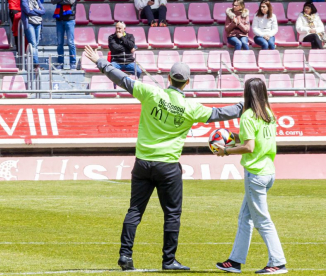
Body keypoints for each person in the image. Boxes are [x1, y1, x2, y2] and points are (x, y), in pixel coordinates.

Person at [84, 45, 244, 271]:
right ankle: (169, 260)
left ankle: (125, 255)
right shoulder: (191, 107)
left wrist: (100, 62)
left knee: (134, 211)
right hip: (168, 166)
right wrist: (246, 105)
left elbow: (123, 80)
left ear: (168, 78)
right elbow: (219, 113)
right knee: (172, 214)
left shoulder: (152, 93)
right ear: (187, 82)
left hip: (142, 163)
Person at [215, 78, 288, 275]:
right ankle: (235, 261)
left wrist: (226, 151)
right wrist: (232, 138)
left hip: (255, 174)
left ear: (247, 93)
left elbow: (249, 147)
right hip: (268, 171)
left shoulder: (247, 116)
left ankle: (278, 262)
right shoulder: (269, 114)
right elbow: (253, 141)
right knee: (245, 217)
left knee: (262, 220)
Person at [52, 0, 77, 69]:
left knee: (70, 42)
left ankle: (73, 63)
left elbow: (70, 1)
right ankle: (60, 63)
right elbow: (53, 1)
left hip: (70, 20)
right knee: (60, 43)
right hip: (59, 20)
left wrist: (59, 1)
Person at [21, 0, 45, 69]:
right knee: (33, 44)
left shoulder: (38, 1)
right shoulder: (24, 1)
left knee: (36, 44)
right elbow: (27, 11)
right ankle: (36, 64)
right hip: (29, 24)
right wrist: (38, 10)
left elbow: (43, 11)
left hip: (38, 23)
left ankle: (35, 64)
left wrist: (33, 10)